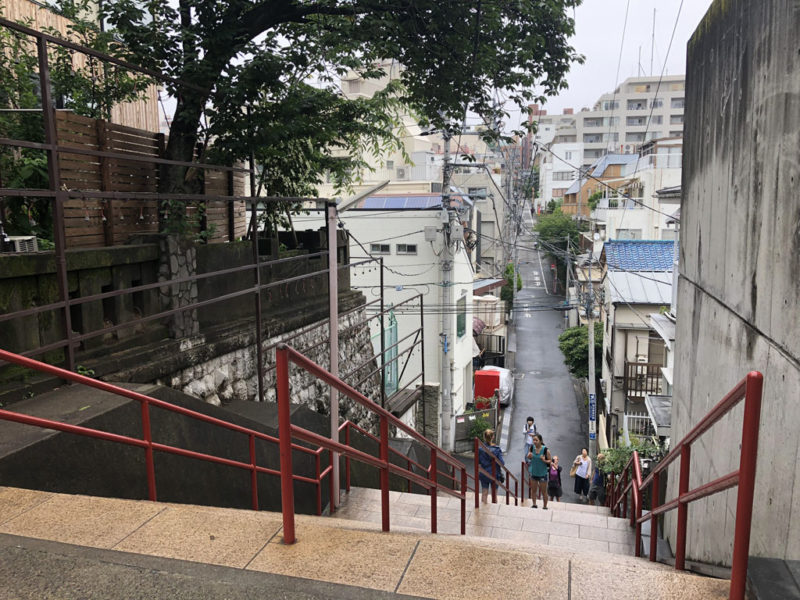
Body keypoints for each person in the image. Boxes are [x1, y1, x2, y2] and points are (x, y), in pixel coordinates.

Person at [478, 428, 504, 505]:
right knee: (494, 495)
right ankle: (495, 511)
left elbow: (479, 461)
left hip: (484, 473)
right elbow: (502, 463)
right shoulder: (497, 449)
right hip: (494, 474)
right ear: (492, 437)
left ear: (484, 437)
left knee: (484, 492)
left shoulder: (480, 449)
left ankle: (482, 509)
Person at [527, 433, 552, 509]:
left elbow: (550, 461)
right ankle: (534, 504)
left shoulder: (546, 450)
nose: (534, 442)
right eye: (533, 440)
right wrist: (529, 456)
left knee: (544, 491)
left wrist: (544, 460)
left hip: (542, 473)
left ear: (540, 441)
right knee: (533, 490)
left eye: (536, 440)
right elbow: (530, 457)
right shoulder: (531, 448)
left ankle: (545, 506)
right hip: (534, 472)